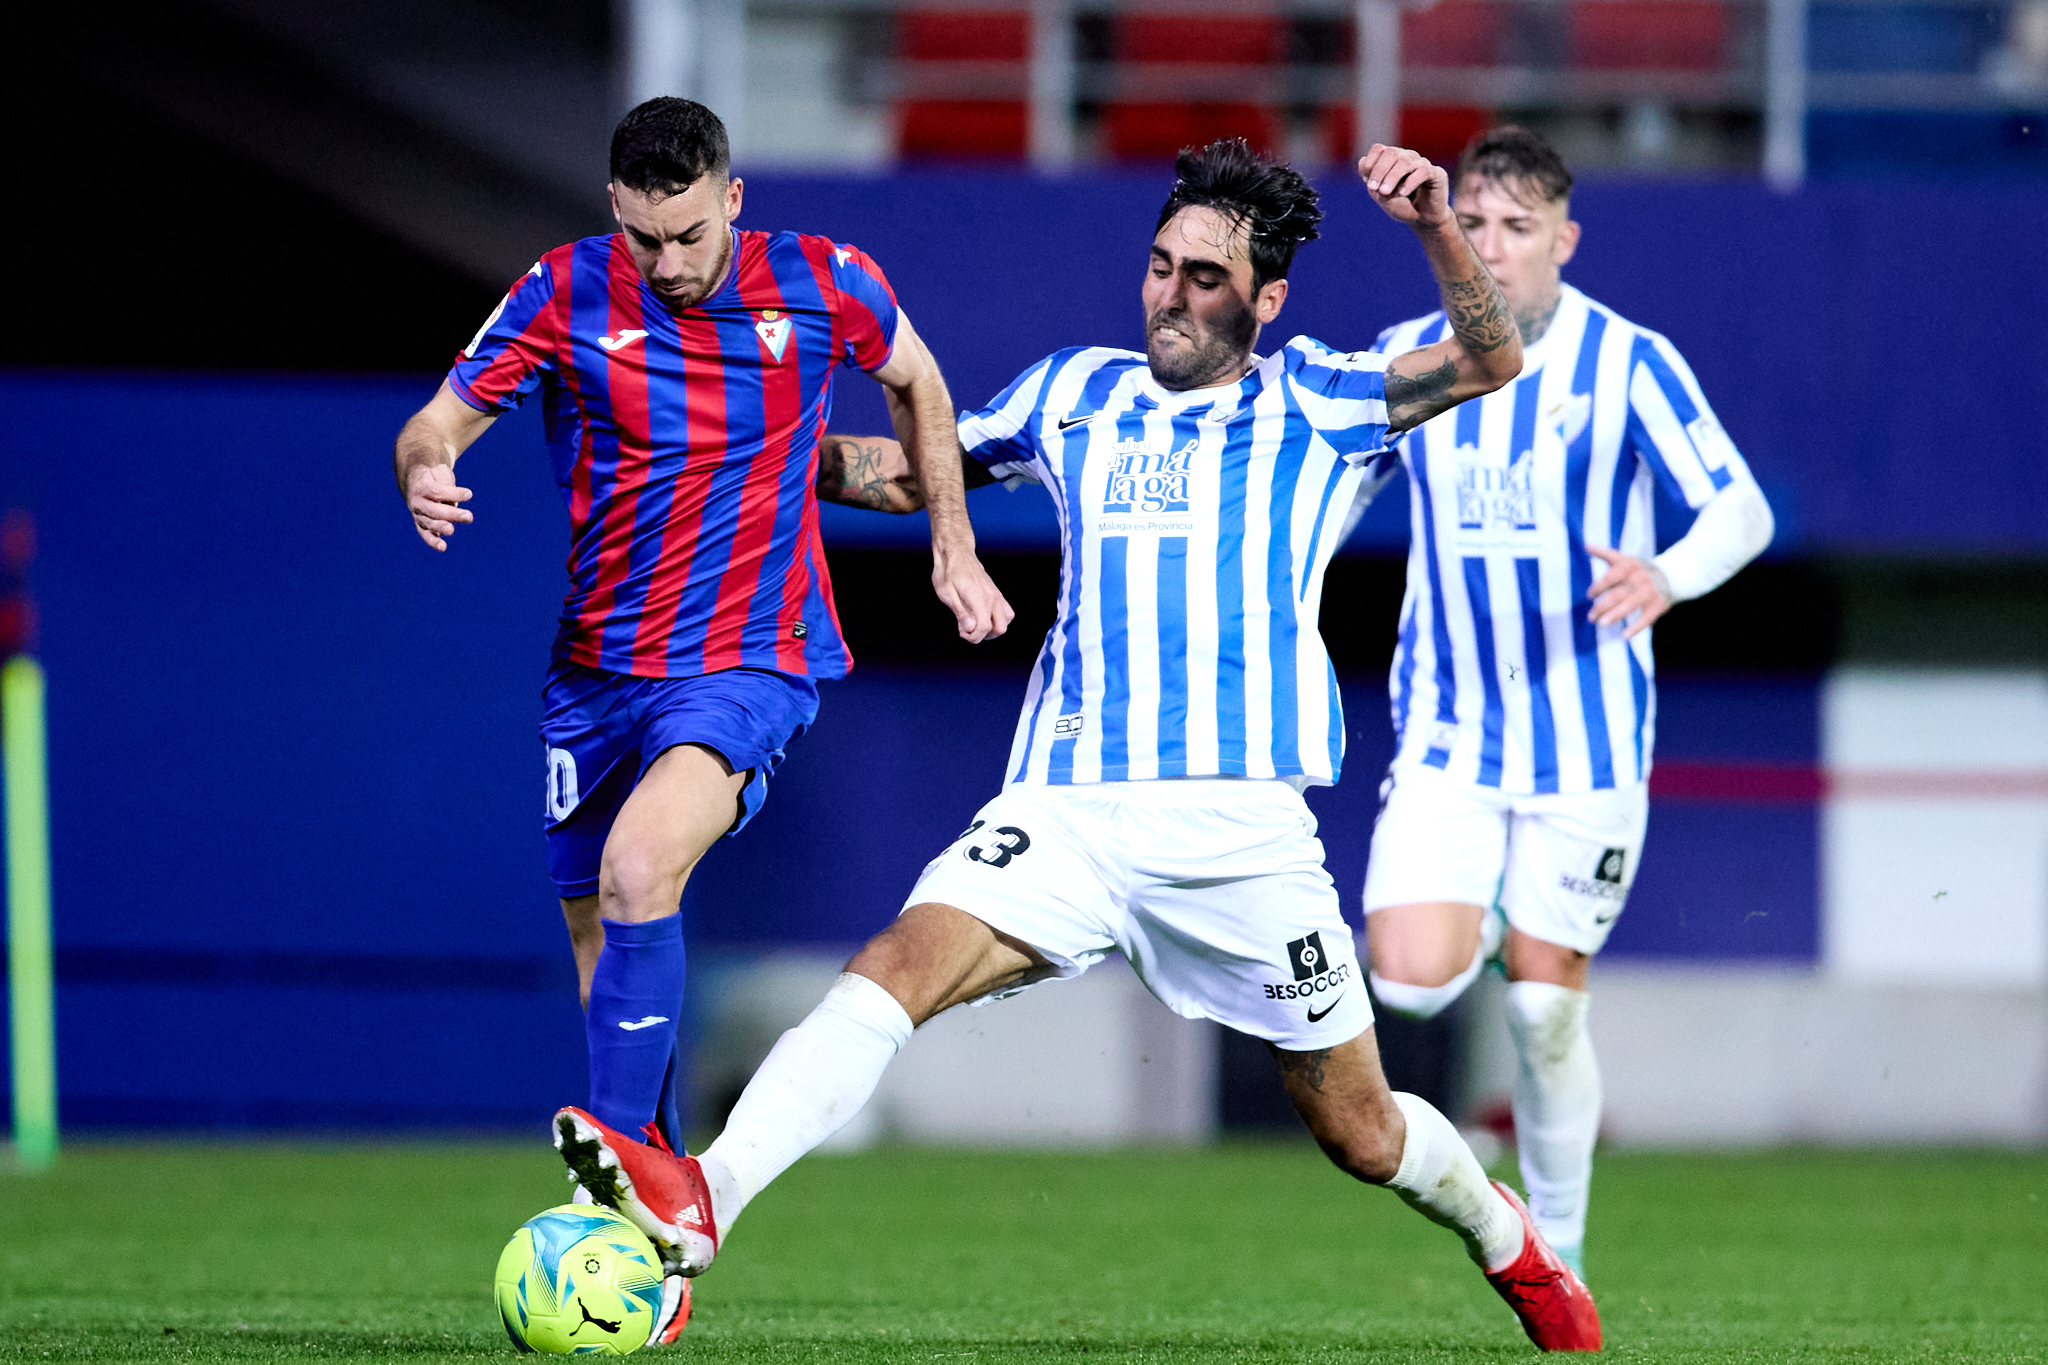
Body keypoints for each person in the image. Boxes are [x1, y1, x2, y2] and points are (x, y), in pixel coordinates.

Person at [552, 137, 1603, 1353]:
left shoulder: (1321, 399)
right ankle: (700, 1209)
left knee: (1360, 1134)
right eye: (1159, 267)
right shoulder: (1073, 393)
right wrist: (756, 441)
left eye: (1205, 279)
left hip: (1240, 830)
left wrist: (1433, 227)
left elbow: (1488, 356)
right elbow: (916, 472)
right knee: (895, 966)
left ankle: (1505, 1238)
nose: (1171, 295)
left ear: (1264, 300)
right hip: (1065, 807)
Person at [390, 97, 1012, 1344]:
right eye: (643, 239)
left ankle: (623, 1184)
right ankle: (659, 1234)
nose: (667, 264)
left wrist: (951, 542)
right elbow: (436, 422)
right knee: (602, 944)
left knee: (640, 865)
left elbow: (918, 381)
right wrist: (423, 470)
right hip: (593, 675)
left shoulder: (823, 281)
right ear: (612, 212)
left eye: (686, 235)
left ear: (730, 198)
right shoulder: (562, 290)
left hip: (747, 659)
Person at [1355, 125, 1774, 1280]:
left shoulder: (1626, 361)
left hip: (1585, 741)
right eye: (1472, 223)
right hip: (1447, 731)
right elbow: (1327, 488)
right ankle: (1493, 923)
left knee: (1544, 1018)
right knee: (1406, 985)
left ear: (1563, 239)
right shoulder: (1407, 359)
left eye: (1516, 226)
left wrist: (1666, 574)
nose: (1490, 246)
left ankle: (1562, 1253)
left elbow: (1738, 510)